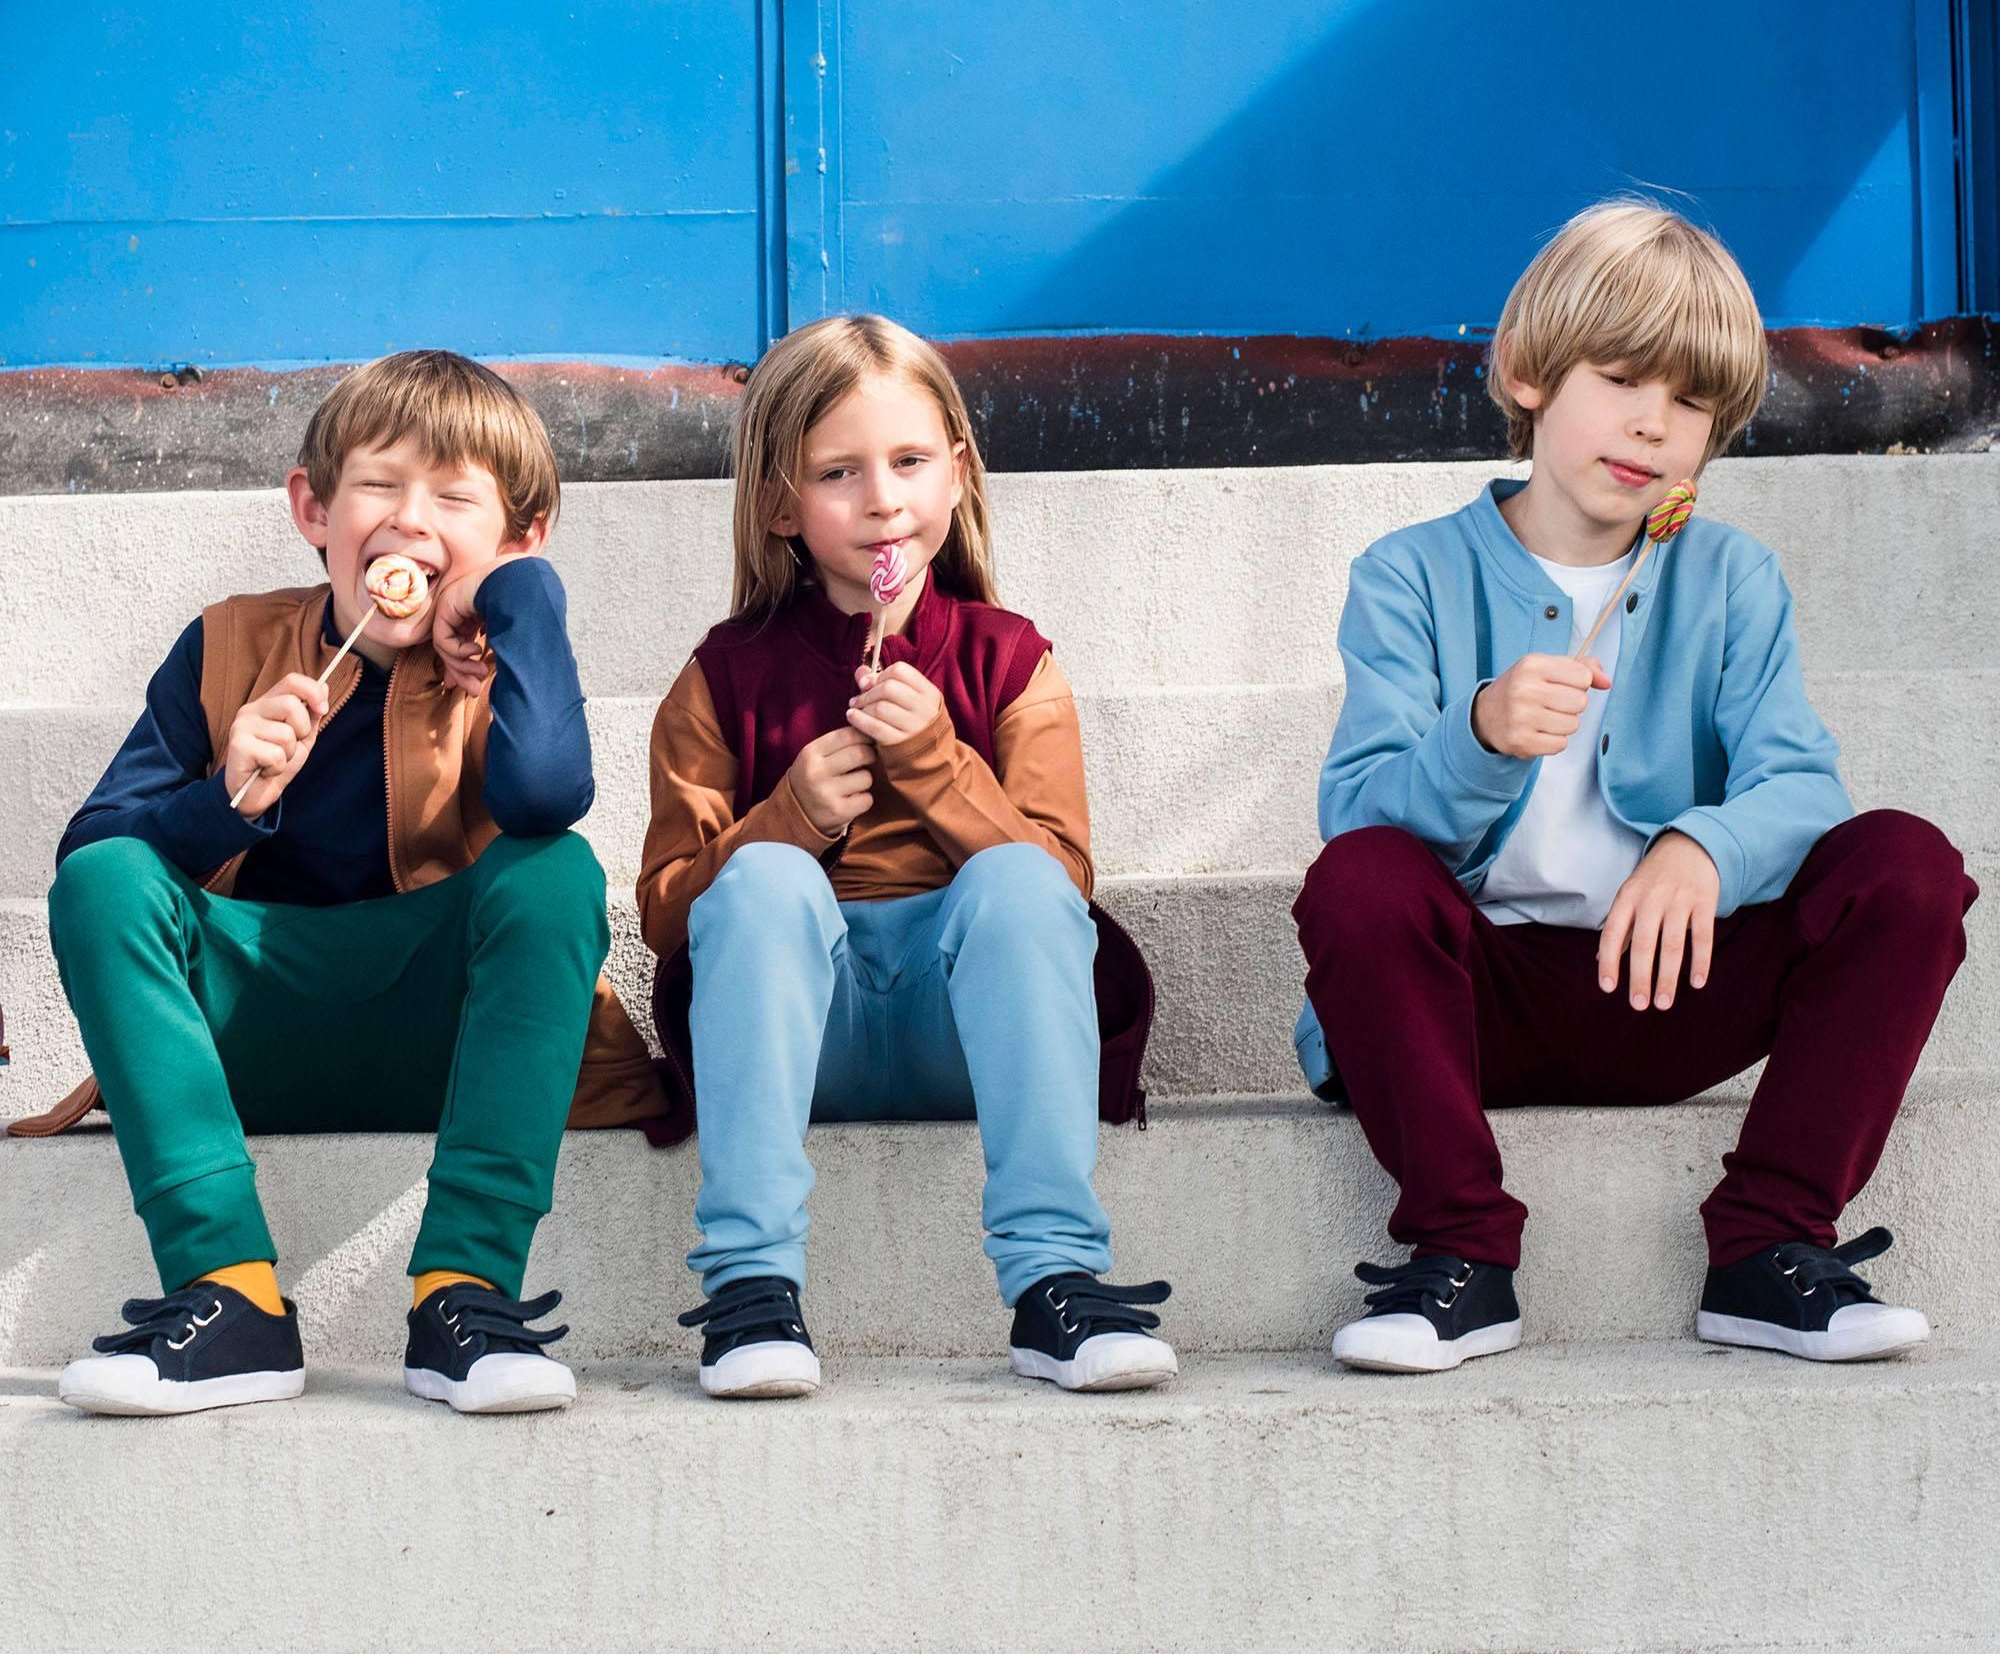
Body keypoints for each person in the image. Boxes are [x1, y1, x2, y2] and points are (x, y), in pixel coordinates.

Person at [1292, 200, 1977, 1372]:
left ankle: (1767, 1242)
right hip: (1472, 1001)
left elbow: (1798, 782)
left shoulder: (1726, 573)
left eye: (1692, 401)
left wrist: (1702, 846)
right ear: (1526, 374)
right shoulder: (1407, 573)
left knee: (1905, 866)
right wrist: (1478, 733)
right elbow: (1357, 819)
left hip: (1672, 980)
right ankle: (1461, 1252)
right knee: (1358, 883)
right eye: (1619, 379)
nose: (1653, 424)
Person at [33, 350, 658, 1416]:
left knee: (555, 870)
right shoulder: (227, 641)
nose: (411, 519)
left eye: (456, 498)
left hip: (449, 1039)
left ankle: (463, 1289)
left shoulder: (509, 650)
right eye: (379, 485)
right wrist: (220, 793)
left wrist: (522, 603)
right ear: (313, 508)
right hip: (249, 1039)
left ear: (518, 533)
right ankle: (229, 1291)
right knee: (105, 879)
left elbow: (549, 794)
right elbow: (95, 857)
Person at [637, 313, 1174, 1398]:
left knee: (1015, 878)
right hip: (802, 1033)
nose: (882, 496)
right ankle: (750, 1287)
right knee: (769, 878)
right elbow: (664, 913)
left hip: (961, 1027)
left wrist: (934, 761)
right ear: (782, 505)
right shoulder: (722, 674)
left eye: (910, 461)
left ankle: (1054, 1278)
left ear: (956, 475)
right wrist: (783, 815)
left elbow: (1062, 887)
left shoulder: (1010, 659)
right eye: (838, 471)